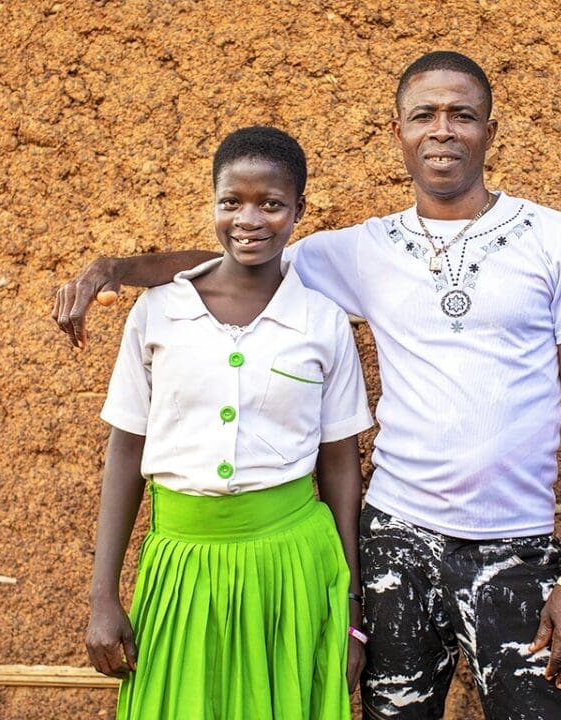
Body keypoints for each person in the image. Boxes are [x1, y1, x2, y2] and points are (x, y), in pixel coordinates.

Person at [59, 52, 561, 720]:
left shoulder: (553, 239)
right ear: (398, 133)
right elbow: (233, 261)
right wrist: (115, 269)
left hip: (519, 549)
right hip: (397, 544)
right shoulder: (360, 249)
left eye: (461, 115)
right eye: (424, 115)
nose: (443, 130)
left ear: (490, 131)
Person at [83, 126, 373, 720]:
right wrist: (102, 596)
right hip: (182, 567)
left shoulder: (321, 322)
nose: (250, 219)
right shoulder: (158, 313)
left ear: (298, 211)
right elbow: (124, 451)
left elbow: (341, 464)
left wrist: (350, 608)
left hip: (292, 567)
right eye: (231, 202)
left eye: (271, 204)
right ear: (212, 202)